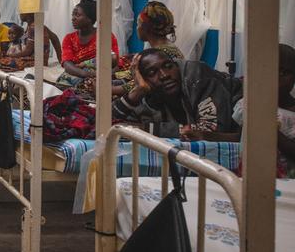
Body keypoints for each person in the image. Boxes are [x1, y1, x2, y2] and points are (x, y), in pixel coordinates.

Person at [113, 48, 242, 141]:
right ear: (143, 79)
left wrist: (147, 129)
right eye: (152, 72)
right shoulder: (147, 93)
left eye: (168, 66)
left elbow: (208, 131)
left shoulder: (197, 77)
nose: (164, 75)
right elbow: (107, 125)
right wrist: (138, 91)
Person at [233, 43, 295, 177]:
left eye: (285, 72)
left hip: (285, 181)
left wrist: (270, 129)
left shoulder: (292, 113)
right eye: (273, 70)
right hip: (250, 175)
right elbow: (239, 138)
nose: (278, 76)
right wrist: (205, 136)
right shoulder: (249, 104)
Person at [57, 0, 119, 87]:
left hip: (101, 74)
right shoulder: (69, 38)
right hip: (77, 74)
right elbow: (67, 64)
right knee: (64, 84)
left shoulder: (105, 36)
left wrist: (103, 75)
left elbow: (115, 61)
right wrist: (87, 75)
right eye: (73, 14)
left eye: (77, 15)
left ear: (90, 19)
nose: (73, 18)